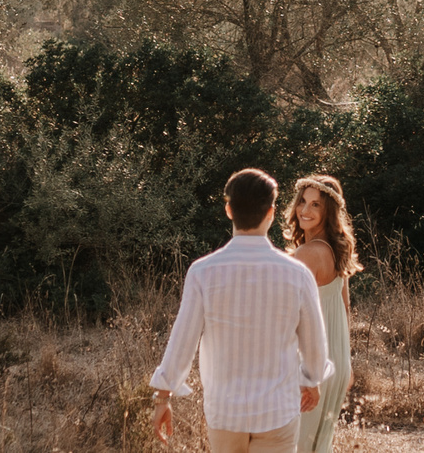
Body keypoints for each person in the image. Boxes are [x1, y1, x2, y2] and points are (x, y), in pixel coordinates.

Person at [149, 168, 330, 452]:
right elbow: (315, 345)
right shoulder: (297, 274)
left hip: (225, 413)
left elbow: (182, 341)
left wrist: (163, 396)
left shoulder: (203, 272)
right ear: (271, 212)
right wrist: (311, 378)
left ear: (229, 210)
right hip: (278, 412)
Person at [282, 174, 360, 453]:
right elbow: (345, 308)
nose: (305, 210)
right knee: (318, 445)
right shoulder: (339, 251)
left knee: (295, 444)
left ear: (329, 211)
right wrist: (346, 363)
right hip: (336, 361)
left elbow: (289, 319)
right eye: (302, 201)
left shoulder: (307, 254)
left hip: (313, 365)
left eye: (315, 205)